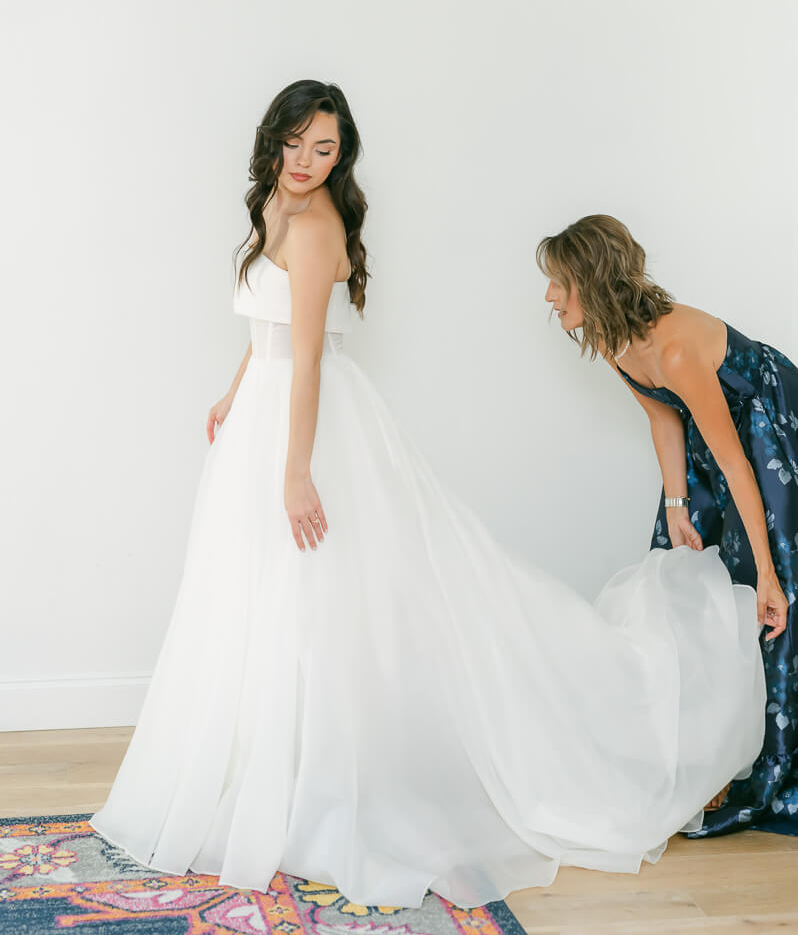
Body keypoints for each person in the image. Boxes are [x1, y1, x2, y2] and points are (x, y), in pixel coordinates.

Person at [90, 85, 766, 909]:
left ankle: (328, 786)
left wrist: (296, 470)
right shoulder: (275, 203)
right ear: (273, 142)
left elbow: (307, 357)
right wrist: (236, 393)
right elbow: (267, 334)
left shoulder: (314, 227)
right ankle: (279, 772)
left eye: (325, 151)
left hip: (305, 421)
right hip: (268, 409)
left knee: (327, 597)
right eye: (296, 145)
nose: (306, 163)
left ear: (343, 159)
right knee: (261, 599)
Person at [537, 213, 796, 839]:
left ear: (591, 283)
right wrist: (676, 510)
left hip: (763, 424)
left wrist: (765, 570)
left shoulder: (676, 350)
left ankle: (770, 773)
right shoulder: (613, 340)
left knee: (773, 593)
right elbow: (663, 419)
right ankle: (697, 763)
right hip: (710, 440)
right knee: (674, 580)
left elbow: (738, 463)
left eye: (557, 283)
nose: (548, 297)